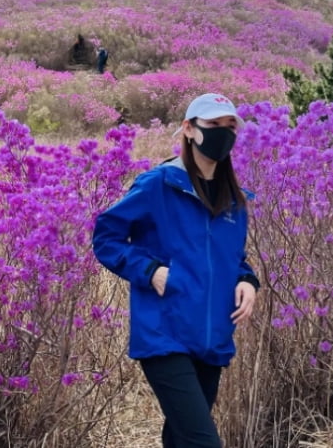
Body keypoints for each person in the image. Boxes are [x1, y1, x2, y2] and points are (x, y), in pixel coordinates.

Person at [92, 93, 259, 448]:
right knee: (203, 443)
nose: (223, 134)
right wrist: (150, 270)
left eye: (230, 127)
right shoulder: (158, 185)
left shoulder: (234, 199)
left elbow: (230, 256)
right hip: (164, 334)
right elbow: (106, 238)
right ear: (189, 129)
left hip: (212, 337)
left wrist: (246, 280)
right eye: (213, 126)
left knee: (181, 439)